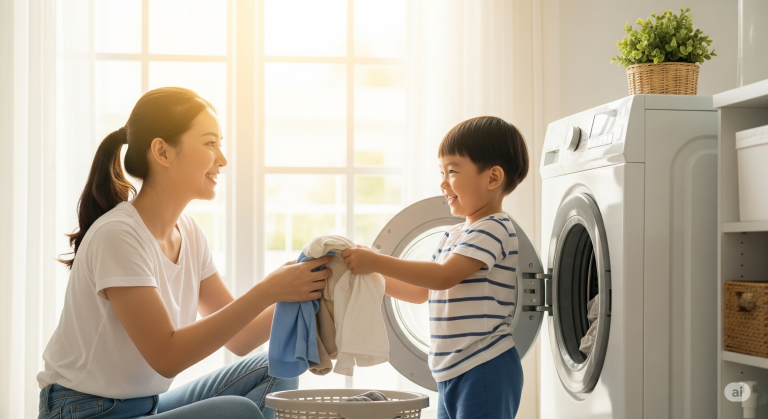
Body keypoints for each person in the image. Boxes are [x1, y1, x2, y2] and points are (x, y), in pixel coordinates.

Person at [37, 87, 332, 419]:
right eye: (210, 143)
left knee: (276, 367)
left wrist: (305, 290)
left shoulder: (188, 233)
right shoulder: (117, 235)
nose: (222, 159)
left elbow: (240, 338)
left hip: (146, 406)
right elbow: (166, 356)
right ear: (162, 152)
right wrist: (268, 290)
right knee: (236, 412)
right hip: (85, 411)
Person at [341, 116, 529, 418]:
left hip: (484, 364)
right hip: (451, 369)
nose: (442, 183)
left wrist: (376, 261)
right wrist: (371, 274)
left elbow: (442, 277)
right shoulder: (455, 234)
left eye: (452, 171)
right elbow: (421, 291)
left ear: (493, 178)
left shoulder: (494, 227)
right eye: (441, 172)